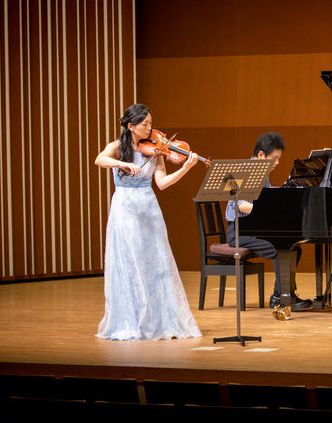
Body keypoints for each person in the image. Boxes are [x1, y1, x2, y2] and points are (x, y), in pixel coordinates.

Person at [93, 104, 203, 341]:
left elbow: (162, 183)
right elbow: (99, 160)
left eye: (151, 123)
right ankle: (131, 320)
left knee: (156, 263)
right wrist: (122, 163)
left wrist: (186, 167)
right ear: (130, 126)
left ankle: (158, 320)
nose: (150, 128)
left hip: (149, 207)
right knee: (129, 262)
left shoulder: (156, 148)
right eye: (145, 124)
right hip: (124, 208)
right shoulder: (116, 147)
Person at [225, 132, 309, 311]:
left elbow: (268, 196)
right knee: (281, 248)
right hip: (239, 231)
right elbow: (240, 204)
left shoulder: (262, 173)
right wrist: (266, 211)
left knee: (294, 246)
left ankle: (282, 294)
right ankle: (282, 297)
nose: (277, 163)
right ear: (261, 155)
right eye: (275, 158)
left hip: (253, 228)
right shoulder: (242, 171)